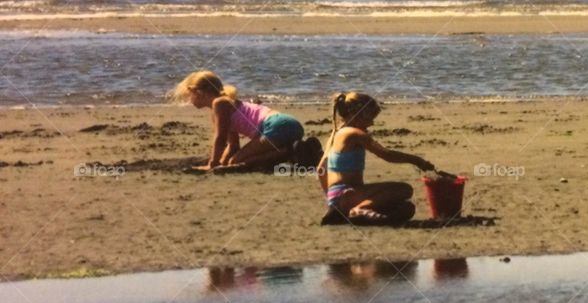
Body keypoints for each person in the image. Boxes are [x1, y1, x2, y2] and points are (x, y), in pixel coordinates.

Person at [319, 92, 434, 225]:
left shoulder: (336, 134)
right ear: (358, 114)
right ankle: (360, 209)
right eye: (369, 118)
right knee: (404, 189)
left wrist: (332, 201)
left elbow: (320, 168)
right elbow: (387, 154)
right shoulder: (354, 133)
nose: (372, 123)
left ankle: (344, 212)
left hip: (336, 197)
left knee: (407, 208)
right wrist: (417, 161)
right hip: (347, 193)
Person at [171, 70, 305, 172]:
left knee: (238, 163)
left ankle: (288, 152)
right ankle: (294, 149)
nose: (190, 100)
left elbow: (220, 138)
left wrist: (212, 163)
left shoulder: (219, 103)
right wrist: (222, 162)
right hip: (289, 124)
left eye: (190, 96)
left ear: (199, 93)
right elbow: (233, 145)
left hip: (274, 125)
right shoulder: (226, 103)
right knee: (232, 162)